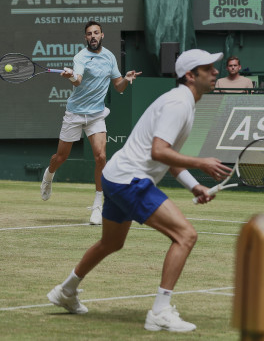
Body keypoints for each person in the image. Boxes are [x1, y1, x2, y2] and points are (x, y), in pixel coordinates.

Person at [47, 49, 232, 332]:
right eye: (209, 68)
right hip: (130, 180)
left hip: (115, 176)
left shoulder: (185, 103)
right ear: (191, 76)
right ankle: (160, 311)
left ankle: (66, 291)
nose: (216, 72)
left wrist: (194, 185)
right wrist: (200, 162)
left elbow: (170, 161)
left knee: (111, 243)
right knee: (185, 235)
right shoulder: (178, 104)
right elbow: (160, 151)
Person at [41, 21, 141, 225]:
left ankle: (97, 206)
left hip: (96, 115)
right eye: (89, 34)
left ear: (102, 35)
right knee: (60, 157)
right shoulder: (80, 57)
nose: (93, 36)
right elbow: (77, 80)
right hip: (75, 114)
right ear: (85, 38)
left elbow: (118, 86)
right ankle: (48, 177)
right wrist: (70, 77)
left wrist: (127, 79)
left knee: (101, 156)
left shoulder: (110, 57)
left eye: (96, 33)